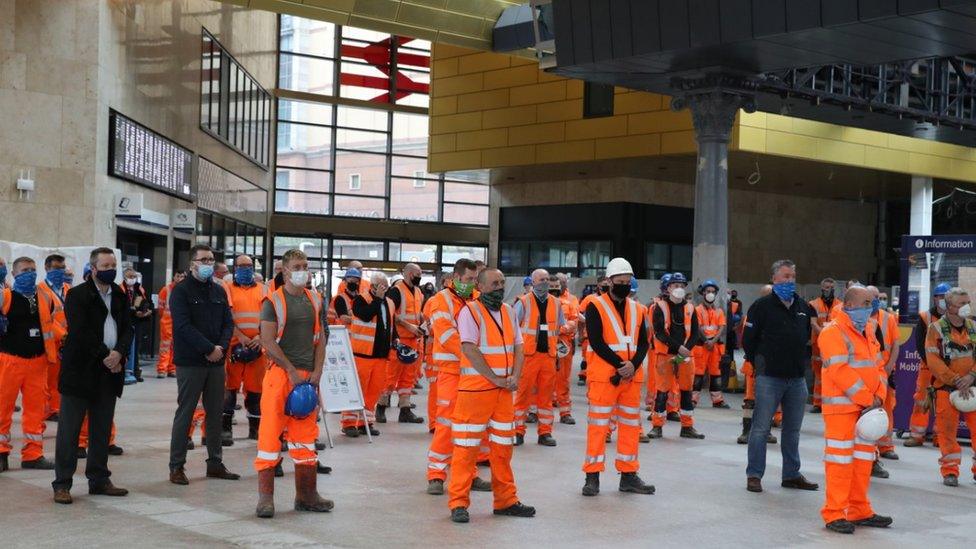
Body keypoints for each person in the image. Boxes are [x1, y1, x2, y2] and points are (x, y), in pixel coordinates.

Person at [448, 267, 534, 523]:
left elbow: (519, 347)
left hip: (503, 393)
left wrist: (515, 377)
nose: (499, 287)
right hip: (475, 392)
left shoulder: (508, 312)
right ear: (481, 287)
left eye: (502, 282)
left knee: (502, 449)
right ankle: (458, 503)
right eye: (494, 283)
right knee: (466, 449)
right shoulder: (469, 312)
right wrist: (496, 378)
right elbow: (469, 349)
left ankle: (506, 500)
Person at [254, 248, 332, 518]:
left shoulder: (316, 299)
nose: (303, 271)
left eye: (305, 265)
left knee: (305, 439)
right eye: (297, 266)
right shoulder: (272, 301)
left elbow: (321, 338)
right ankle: (266, 498)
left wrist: (318, 371)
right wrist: (290, 370)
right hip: (280, 375)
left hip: (308, 378)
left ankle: (307, 495)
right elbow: (267, 340)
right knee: (269, 435)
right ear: (285, 271)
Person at [51, 247, 133, 503]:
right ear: (93, 268)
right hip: (81, 371)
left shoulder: (119, 294)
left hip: (109, 372)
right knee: (69, 431)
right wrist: (106, 356)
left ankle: (99, 479)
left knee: (100, 429)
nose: (111, 270)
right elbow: (81, 332)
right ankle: (62, 483)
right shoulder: (77, 295)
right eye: (105, 266)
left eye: (113, 265)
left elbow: (127, 327)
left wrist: (119, 353)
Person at [818, 284, 892, 534]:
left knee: (862, 462)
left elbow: (879, 367)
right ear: (849, 306)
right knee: (839, 463)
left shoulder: (869, 330)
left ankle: (859, 510)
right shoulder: (832, 332)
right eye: (865, 304)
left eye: (872, 304)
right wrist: (866, 398)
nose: (870, 309)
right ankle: (834, 513)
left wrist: (879, 396)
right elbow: (840, 371)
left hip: (867, 409)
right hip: (844, 411)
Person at [579, 257, 654, 496]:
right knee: (599, 426)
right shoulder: (595, 306)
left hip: (631, 378)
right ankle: (592, 477)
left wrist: (633, 365)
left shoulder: (639, 309)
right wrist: (621, 365)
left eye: (627, 281)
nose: (624, 285)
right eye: (620, 281)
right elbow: (597, 340)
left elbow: (644, 342)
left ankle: (629, 475)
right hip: (605, 377)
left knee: (631, 425)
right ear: (609, 281)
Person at [742, 260, 819, 493]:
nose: (790, 280)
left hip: (796, 378)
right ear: (774, 278)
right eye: (785, 276)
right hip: (769, 377)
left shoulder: (803, 307)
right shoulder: (761, 306)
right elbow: (748, 339)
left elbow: (806, 337)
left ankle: (791, 474)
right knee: (760, 429)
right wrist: (759, 362)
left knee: (792, 430)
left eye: (792, 276)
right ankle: (754, 474)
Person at [167, 244, 239, 485]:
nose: (208, 264)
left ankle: (215, 463)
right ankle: (176, 466)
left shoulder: (219, 291)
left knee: (215, 414)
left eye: (211, 260)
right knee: (185, 413)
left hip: (216, 363)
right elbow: (182, 326)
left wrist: (220, 348)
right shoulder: (180, 291)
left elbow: (229, 323)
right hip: (191, 362)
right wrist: (209, 349)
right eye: (203, 260)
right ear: (192, 264)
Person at [424, 259, 491, 495]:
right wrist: (472, 357)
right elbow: (446, 335)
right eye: (469, 279)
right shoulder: (439, 300)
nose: (472, 283)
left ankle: (469, 474)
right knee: (446, 423)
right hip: (452, 372)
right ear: (456, 277)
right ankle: (436, 475)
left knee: (471, 426)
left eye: (475, 279)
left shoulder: (476, 298)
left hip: (472, 372)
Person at [0, 257, 60, 472]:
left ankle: (33, 454)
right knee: (2, 408)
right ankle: (1, 453)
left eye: (33, 269)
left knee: (35, 411)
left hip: (38, 362)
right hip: (10, 361)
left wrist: (63, 343)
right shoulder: (5, 296)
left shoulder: (45, 296)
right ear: (14, 274)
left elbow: (53, 324)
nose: (30, 273)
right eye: (25, 270)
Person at [924, 287, 976, 487]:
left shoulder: (973, 326)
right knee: (946, 432)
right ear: (949, 306)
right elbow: (933, 359)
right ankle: (950, 471)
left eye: (968, 302)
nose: (966, 306)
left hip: (972, 387)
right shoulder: (935, 329)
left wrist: (971, 376)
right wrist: (955, 379)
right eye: (962, 303)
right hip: (947, 388)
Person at [512, 270, 564, 447]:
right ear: (533, 282)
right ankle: (517, 432)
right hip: (528, 357)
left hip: (548, 357)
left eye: (547, 279)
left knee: (546, 398)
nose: (545, 282)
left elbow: (559, 329)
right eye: (541, 279)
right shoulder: (523, 302)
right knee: (522, 395)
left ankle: (545, 433)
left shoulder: (557, 303)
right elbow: (512, 329)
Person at [650, 272, 703, 439]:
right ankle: (657, 426)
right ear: (668, 288)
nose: (679, 289)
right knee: (662, 391)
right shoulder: (659, 307)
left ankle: (687, 426)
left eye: (681, 286)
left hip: (685, 356)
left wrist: (686, 348)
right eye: (675, 286)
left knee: (686, 390)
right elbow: (659, 333)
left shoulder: (690, 308)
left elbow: (695, 333)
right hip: (665, 355)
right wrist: (679, 347)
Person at [342, 272, 393, 438]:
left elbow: (390, 324)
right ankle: (349, 423)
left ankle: (366, 422)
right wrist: (378, 299)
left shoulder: (389, 303)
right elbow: (365, 315)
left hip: (380, 356)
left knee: (374, 391)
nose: (385, 289)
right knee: (357, 390)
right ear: (373, 286)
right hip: (363, 354)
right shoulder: (361, 300)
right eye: (382, 286)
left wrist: (396, 340)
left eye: (386, 286)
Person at [224, 255, 269, 443]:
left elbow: (269, 317)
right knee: (229, 389)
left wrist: (259, 336)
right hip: (233, 345)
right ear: (235, 268)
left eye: (249, 266)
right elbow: (226, 316)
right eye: (242, 266)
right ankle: (225, 430)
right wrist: (241, 337)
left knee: (256, 391)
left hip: (258, 347)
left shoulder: (263, 289)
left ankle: (255, 429)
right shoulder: (227, 288)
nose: (246, 269)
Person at [378, 263, 426, 424]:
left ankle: (405, 410)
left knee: (409, 378)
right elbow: (390, 313)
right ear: (409, 274)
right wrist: (409, 326)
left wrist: (423, 323)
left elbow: (417, 312)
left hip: (414, 340)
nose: (420, 276)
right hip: (399, 341)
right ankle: (381, 407)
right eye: (418, 273)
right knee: (390, 376)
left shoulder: (418, 291)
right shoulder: (396, 291)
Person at [906, 283, 951, 447]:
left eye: (947, 297)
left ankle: (941, 437)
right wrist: (932, 363)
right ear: (935, 298)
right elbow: (919, 343)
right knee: (921, 400)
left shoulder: (956, 317)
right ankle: (917, 435)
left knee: (944, 403)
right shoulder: (925, 317)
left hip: (948, 368)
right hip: (928, 366)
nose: (944, 300)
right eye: (941, 297)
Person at [737, 285, 778, 445]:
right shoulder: (754, 314)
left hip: (772, 364)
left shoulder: (777, 314)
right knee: (750, 398)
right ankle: (746, 431)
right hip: (754, 363)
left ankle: (766, 431)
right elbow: (747, 339)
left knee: (769, 399)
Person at [867, 285, 900, 478]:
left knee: (886, 410)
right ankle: (872, 456)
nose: (876, 301)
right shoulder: (858, 319)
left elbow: (895, 345)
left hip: (884, 372)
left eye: (877, 297)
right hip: (867, 376)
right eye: (872, 298)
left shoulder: (888, 318)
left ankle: (886, 445)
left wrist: (888, 367)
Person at [36, 253, 69, 421]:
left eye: (62, 268)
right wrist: (64, 335)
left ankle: (55, 408)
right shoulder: (40, 290)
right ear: (47, 268)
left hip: (66, 342)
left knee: (59, 378)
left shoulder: (67, 289)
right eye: (56, 268)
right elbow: (45, 319)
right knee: (47, 380)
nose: (60, 271)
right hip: (50, 342)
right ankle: (47, 410)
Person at [692, 279, 730, 409]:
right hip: (701, 346)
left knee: (716, 374)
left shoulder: (719, 311)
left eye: (713, 292)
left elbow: (721, 328)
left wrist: (712, 341)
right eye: (708, 291)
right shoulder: (697, 310)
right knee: (697, 374)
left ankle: (717, 400)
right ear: (703, 293)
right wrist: (706, 341)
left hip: (715, 346)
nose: (710, 294)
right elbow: (697, 327)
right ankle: (693, 400)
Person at [809, 278, 839, 413]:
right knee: (818, 375)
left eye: (831, 288)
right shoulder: (813, 304)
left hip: (834, 345)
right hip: (818, 345)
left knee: (833, 374)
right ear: (821, 288)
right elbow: (813, 323)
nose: (829, 290)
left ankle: (830, 403)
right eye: (826, 287)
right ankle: (817, 403)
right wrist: (825, 335)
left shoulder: (840, 305)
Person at [553, 273, 579, 424]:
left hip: (563, 345)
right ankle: (534, 411)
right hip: (544, 344)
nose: (561, 284)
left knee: (563, 379)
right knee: (541, 379)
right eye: (558, 282)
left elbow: (573, 322)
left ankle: (565, 412)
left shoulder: (572, 299)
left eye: (563, 282)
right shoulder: (542, 298)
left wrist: (558, 329)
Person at [577, 277, 610, 387]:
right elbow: (578, 313)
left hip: (607, 335)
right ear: (598, 285)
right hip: (589, 335)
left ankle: (599, 378)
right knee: (587, 357)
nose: (605, 287)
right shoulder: (590, 298)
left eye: (607, 284)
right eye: (603, 284)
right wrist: (581, 333)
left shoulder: (611, 299)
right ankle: (583, 376)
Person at [122, 269, 153, 384]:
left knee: (136, 348)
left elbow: (145, 302)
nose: (132, 278)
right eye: (130, 276)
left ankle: (135, 371)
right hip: (126, 322)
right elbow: (122, 307)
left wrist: (147, 311)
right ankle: (125, 372)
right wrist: (134, 312)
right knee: (126, 347)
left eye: (134, 276)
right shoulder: (120, 288)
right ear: (124, 277)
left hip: (137, 322)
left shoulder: (139, 289)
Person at [155, 271, 185, 378]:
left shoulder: (184, 290)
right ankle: (162, 369)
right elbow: (160, 307)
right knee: (165, 346)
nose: (180, 278)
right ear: (174, 277)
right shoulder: (166, 289)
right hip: (167, 322)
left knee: (176, 347)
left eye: (182, 276)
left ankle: (172, 369)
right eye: (178, 276)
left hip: (179, 323)